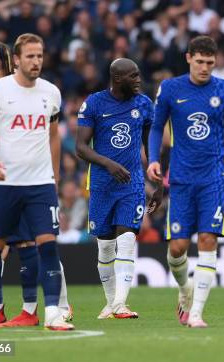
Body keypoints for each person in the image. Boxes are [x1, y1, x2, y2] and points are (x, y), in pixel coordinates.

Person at [0, 40, 72, 329]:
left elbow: (53, 136)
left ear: (0, 61)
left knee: (37, 243)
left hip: (35, 182)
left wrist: (54, 177)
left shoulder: (47, 92)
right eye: (30, 56)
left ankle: (49, 309)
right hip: (3, 182)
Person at [147, 35, 224, 328]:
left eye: (210, 62)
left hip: (213, 178)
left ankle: (196, 313)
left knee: (208, 240)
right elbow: (156, 126)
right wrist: (154, 158)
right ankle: (185, 291)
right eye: (200, 62)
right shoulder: (170, 88)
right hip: (180, 178)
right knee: (178, 248)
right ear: (188, 58)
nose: (205, 67)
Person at [77, 57, 158, 319]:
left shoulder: (144, 104)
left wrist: (158, 180)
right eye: (133, 76)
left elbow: (152, 145)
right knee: (105, 246)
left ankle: (120, 304)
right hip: (101, 184)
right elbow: (81, 147)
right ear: (118, 79)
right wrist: (108, 164)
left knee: (126, 240)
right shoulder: (94, 103)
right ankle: (110, 302)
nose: (138, 80)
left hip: (132, 184)